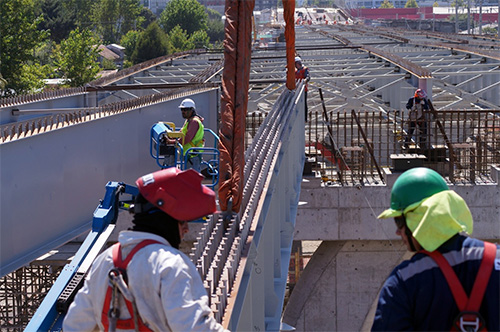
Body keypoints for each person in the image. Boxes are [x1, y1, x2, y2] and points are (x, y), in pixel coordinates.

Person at [63, 168, 228, 332]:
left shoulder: (104, 262)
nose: (186, 229)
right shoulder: (171, 265)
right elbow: (194, 328)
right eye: (182, 221)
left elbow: (74, 325)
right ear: (166, 219)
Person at [372, 167, 499, 331]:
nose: (398, 231)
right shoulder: (496, 260)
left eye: (399, 221)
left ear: (419, 219)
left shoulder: (404, 282)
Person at [164, 98, 205, 171]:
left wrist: (171, 142)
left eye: (185, 110)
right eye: (182, 110)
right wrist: (170, 136)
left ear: (192, 110)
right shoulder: (189, 120)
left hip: (193, 154)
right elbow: (181, 133)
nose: (183, 112)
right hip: (188, 154)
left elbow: (187, 138)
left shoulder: (194, 122)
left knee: (191, 179)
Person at [294, 56, 310, 122]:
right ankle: (297, 117)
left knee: (304, 104)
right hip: (296, 89)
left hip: (303, 89)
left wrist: (305, 80)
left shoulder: (305, 69)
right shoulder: (294, 70)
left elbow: (308, 77)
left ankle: (305, 118)